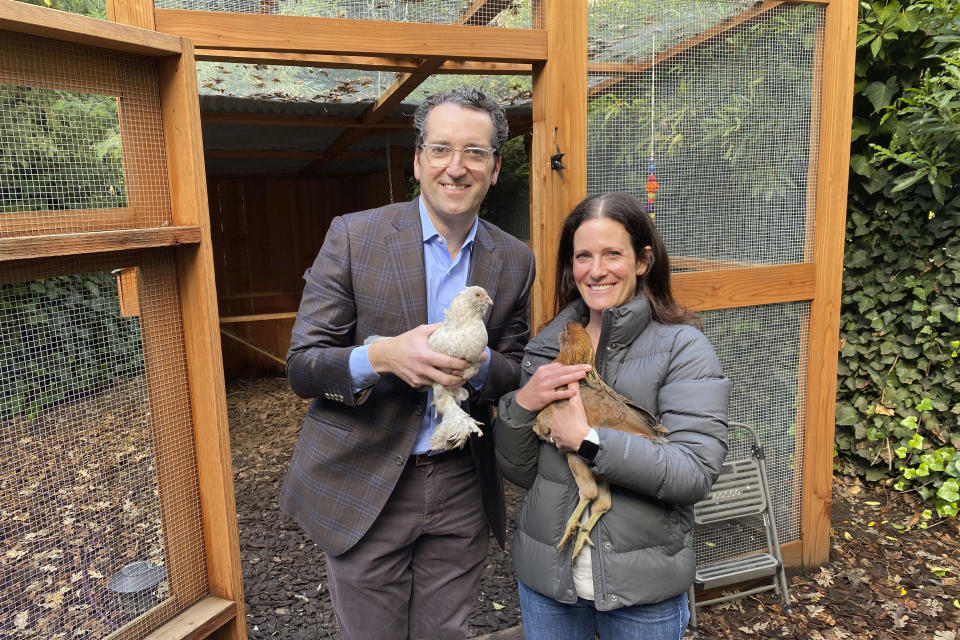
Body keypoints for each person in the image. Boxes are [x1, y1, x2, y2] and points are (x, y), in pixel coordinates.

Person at [279, 88, 535, 639]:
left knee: (445, 634)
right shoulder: (355, 235)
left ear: (494, 169)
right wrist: (383, 355)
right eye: (441, 149)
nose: (456, 167)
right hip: (366, 481)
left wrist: (484, 364)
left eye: (475, 153)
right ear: (418, 160)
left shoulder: (514, 258)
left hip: (462, 481)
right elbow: (303, 365)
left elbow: (517, 368)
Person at [494, 192, 730, 639]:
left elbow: (694, 473)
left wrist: (589, 441)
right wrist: (524, 402)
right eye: (583, 256)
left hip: (642, 590)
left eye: (612, 254)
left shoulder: (682, 347)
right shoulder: (549, 345)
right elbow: (521, 471)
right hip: (549, 583)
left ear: (643, 261)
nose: (596, 270)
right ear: (570, 265)